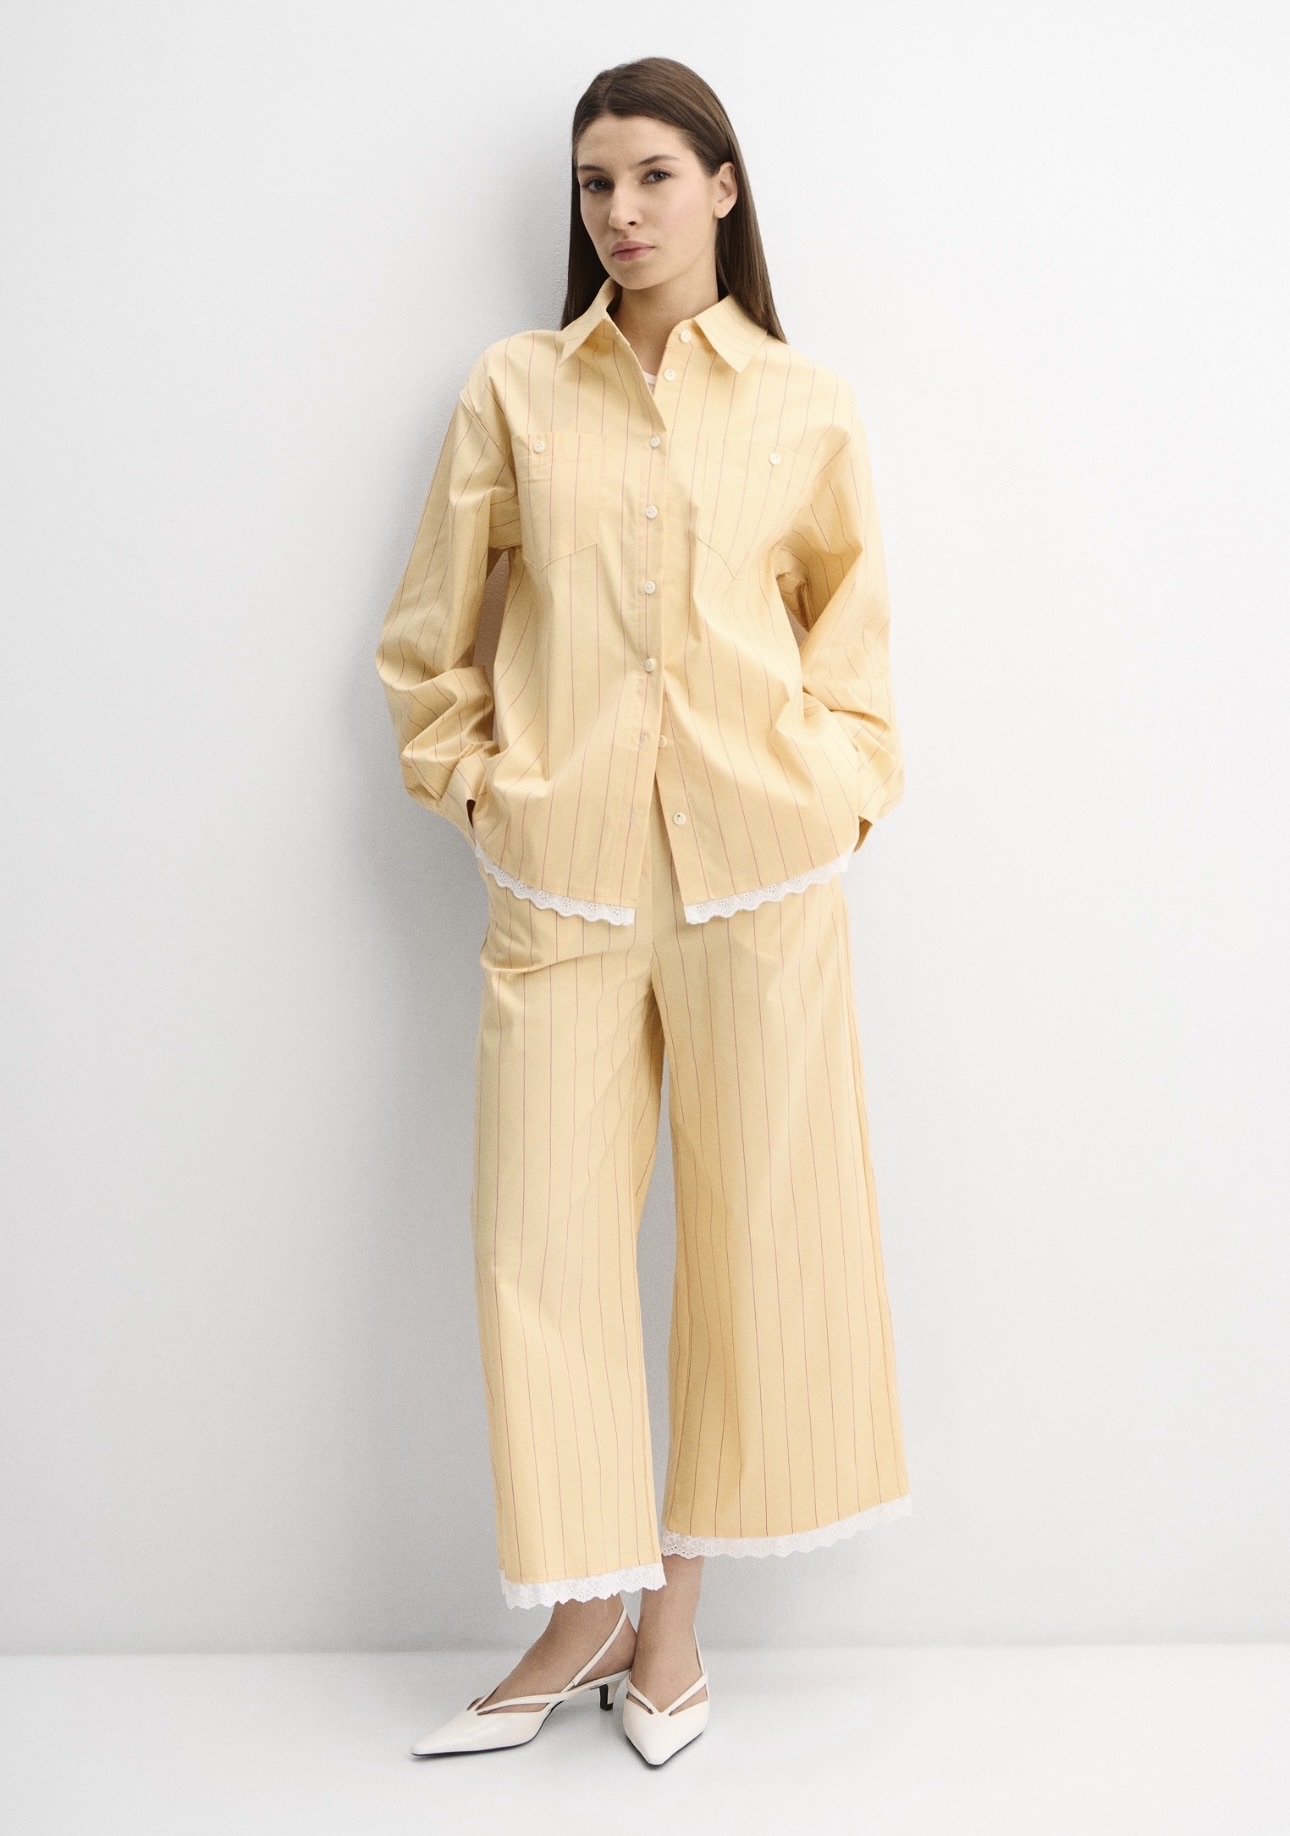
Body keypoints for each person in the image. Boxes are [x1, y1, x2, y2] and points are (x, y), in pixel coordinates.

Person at [374, 54, 911, 1768]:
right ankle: (577, 1610)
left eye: (654, 176)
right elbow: (427, 640)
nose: (620, 211)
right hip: (564, 875)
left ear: (722, 188)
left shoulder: (805, 403)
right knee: (540, 1244)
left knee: (758, 1239)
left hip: (762, 874)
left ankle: (672, 1620)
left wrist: (840, 791)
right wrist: (478, 788)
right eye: (594, 182)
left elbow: (852, 645)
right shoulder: (515, 390)